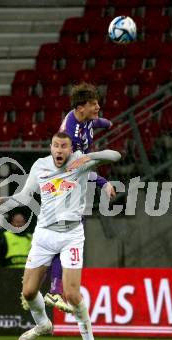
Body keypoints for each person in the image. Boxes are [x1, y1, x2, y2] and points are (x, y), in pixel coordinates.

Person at [0, 132, 121, 340]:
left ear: (70, 148)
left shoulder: (80, 161)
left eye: (64, 146)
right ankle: (43, 324)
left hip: (71, 235)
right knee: (28, 292)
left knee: (72, 294)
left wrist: (89, 156)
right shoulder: (41, 166)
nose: (59, 150)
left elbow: (115, 155)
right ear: (51, 147)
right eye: (55, 146)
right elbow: (25, 197)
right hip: (44, 234)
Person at [43, 82, 116, 313]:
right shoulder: (70, 138)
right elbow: (78, 169)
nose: (98, 106)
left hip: (73, 188)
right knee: (66, 237)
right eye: (94, 104)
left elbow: (96, 122)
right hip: (64, 188)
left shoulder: (83, 118)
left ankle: (51, 289)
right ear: (81, 107)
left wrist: (104, 123)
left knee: (71, 235)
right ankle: (53, 291)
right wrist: (103, 183)